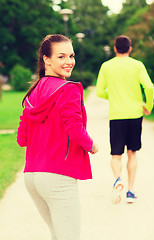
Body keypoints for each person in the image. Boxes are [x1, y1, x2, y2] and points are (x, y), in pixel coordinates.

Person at [17, 34, 98, 240]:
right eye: (61, 57)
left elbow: (21, 139)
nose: (69, 61)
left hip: (32, 177)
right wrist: (91, 145)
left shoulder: (32, 93)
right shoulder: (67, 89)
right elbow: (75, 129)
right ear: (46, 59)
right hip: (57, 177)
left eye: (71, 55)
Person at [96, 35, 154, 204]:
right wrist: (148, 106)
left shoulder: (106, 66)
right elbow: (149, 86)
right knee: (132, 153)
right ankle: (130, 191)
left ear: (115, 49)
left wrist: (113, 96)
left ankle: (117, 180)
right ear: (130, 48)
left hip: (116, 115)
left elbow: (100, 92)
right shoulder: (137, 65)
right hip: (135, 114)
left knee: (116, 154)